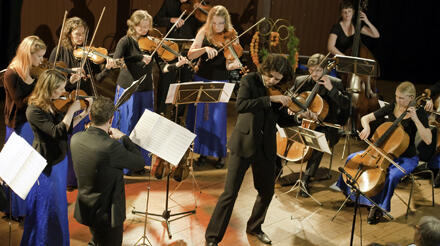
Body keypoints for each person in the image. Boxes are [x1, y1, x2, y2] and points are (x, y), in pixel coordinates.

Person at [205, 54, 298, 246]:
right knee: (229, 194)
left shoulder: (278, 90)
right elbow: (241, 105)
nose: (272, 81)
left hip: (265, 147)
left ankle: (255, 226)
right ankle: (212, 238)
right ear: (265, 69)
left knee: (267, 191)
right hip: (244, 143)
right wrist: (270, 100)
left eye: (278, 79)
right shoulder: (250, 80)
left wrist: (297, 116)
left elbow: (280, 119)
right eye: (270, 76)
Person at [337, 81, 432, 225]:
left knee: (391, 175)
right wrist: (366, 127)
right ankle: (352, 195)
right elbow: (365, 118)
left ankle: (378, 208)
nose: (398, 101)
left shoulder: (419, 113)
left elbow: (428, 140)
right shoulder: (393, 106)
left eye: (401, 98)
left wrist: (416, 119)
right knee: (352, 159)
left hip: (406, 157)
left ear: (411, 98)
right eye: (396, 96)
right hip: (381, 151)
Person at [22, 69, 92, 245]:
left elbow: (65, 129)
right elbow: (56, 132)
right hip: (46, 164)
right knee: (48, 208)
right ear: (49, 88)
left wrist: (83, 114)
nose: (63, 92)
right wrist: (71, 111)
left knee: (58, 207)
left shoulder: (50, 103)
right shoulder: (33, 110)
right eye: (60, 88)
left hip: (59, 161)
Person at [49, 16, 115, 189]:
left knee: (88, 144)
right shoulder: (58, 51)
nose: (81, 37)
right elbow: (51, 81)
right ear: (68, 34)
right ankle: (71, 180)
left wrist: (107, 69)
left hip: (88, 101)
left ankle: (87, 178)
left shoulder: (88, 52)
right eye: (77, 34)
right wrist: (70, 79)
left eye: (83, 34)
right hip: (69, 103)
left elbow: (97, 79)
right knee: (73, 143)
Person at [70, 96, 145, 246]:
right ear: (111, 119)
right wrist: (124, 137)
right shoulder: (111, 147)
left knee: (97, 239)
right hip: (107, 213)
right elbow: (139, 163)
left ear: (90, 116)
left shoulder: (76, 138)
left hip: (87, 206)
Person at [186, 5, 241, 168]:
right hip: (201, 78)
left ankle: (219, 155)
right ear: (210, 21)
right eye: (215, 23)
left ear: (226, 22)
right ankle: (202, 152)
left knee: (217, 120)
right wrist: (204, 48)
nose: (217, 27)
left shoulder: (231, 35)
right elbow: (190, 54)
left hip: (220, 81)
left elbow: (230, 62)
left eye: (221, 24)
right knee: (201, 119)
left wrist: (234, 64)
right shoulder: (203, 32)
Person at [290, 53, 350, 197]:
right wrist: (291, 107)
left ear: (324, 69)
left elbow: (347, 105)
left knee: (318, 142)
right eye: (311, 71)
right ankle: (276, 171)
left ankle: (306, 179)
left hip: (327, 126)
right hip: (304, 122)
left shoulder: (335, 82)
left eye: (317, 70)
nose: (314, 75)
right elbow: (291, 97)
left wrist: (331, 89)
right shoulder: (302, 81)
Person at [1, 36, 46, 221]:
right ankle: (15, 210)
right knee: (17, 167)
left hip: (31, 123)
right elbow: (19, 103)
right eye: (39, 56)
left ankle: (27, 207)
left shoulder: (33, 71)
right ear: (29, 55)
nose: (42, 61)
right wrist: (40, 88)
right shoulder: (11, 74)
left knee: (29, 167)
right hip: (18, 125)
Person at [112, 9, 161, 174]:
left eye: (147, 26)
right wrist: (138, 58)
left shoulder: (150, 42)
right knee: (128, 124)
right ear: (133, 25)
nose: (144, 30)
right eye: (141, 26)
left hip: (146, 88)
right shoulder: (125, 41)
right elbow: (117, 61)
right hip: (129, 88)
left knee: (144, 127)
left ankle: (141, 163)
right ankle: (125, 165)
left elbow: (163, 66)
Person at [154, 0, 199, 117]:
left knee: (185, 82)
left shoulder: (196, 5)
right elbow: (157, 19)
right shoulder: (169, 2)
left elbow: (205, 25)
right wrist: (171, 20)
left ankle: (178, 115)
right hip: (171, 47)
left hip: (189, 48)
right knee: (166, 79)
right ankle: (161, 111)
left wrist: (200, 10)